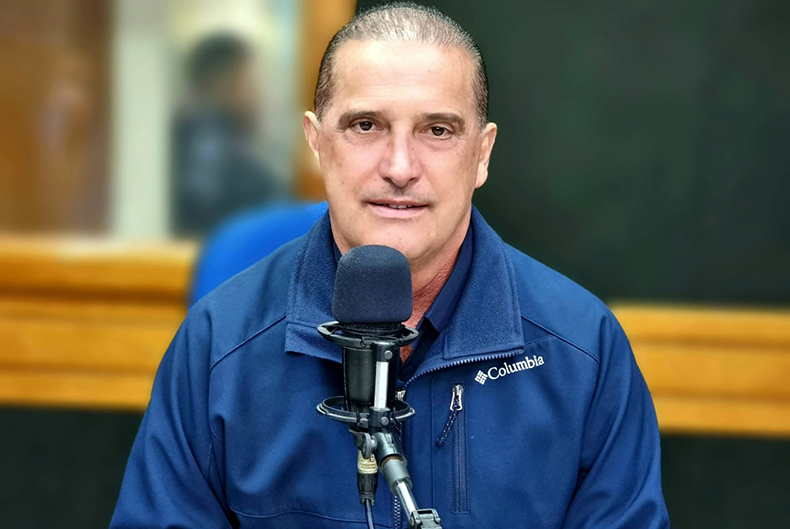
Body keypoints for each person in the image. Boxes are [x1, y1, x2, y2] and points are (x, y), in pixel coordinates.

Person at [111, 4, 669, 528]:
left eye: (437, 130)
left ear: (482, 154)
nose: (400, 167)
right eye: (366, 125)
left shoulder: (584, 351)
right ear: (316, 143)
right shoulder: (217, 345)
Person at [171, 32, 282, 237]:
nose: (259, 94)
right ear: (222, 84)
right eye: (251, 82)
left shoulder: (179, 141)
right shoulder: (220, 156)